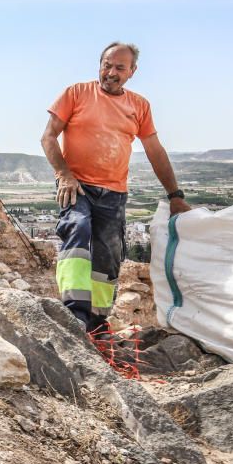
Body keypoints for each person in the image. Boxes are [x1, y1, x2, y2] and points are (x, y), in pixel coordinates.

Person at [40, 42, 192, 336]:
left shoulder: (139, 106)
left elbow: (155, 151)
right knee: (77, 229)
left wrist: (175, 196)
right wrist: (64, 173)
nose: (110, 72)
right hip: (77, 186)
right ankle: (74, 316)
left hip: (113, 193)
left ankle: (96, 323)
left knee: (108, 256)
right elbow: (48, 137)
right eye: (106, 65)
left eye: (119, 68)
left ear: (132, 72)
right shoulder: (76, 93)